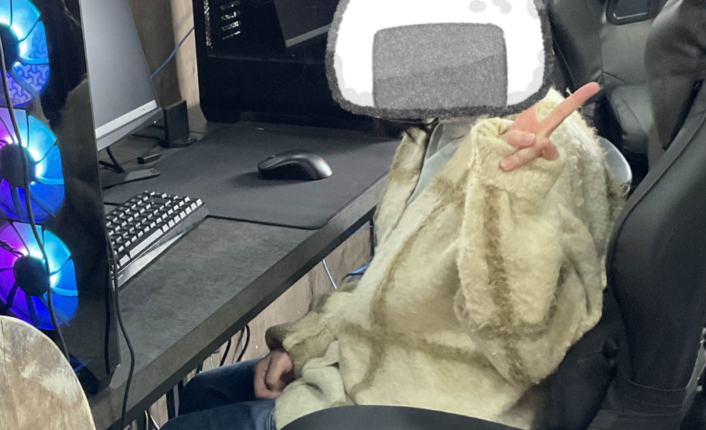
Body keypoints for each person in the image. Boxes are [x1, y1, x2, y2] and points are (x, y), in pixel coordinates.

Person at [163, 84, 625, 430]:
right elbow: (384, 274)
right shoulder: (436, 124)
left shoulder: (536, 146)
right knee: (206, 391)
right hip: (375, 360)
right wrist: (308, 340)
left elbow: (525, 352)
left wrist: (514, 196)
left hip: (441, 402)